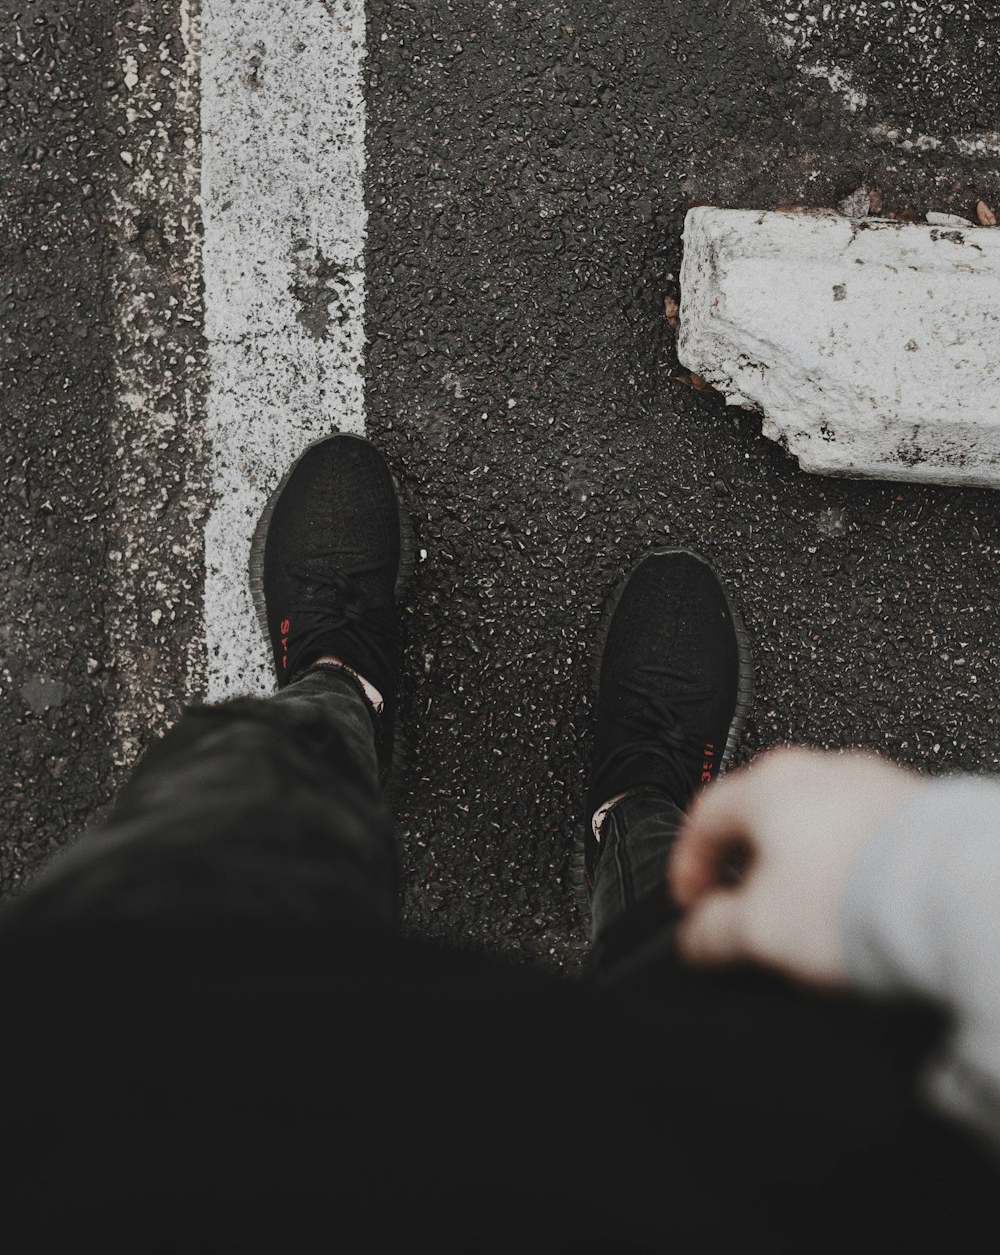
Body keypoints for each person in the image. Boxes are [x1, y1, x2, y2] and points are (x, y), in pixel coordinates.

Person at [1, 433, 997, 1252]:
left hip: (114, 1116)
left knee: (212, 850)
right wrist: (891, 884)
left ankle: (342, 685)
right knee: (699, 961)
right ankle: (639, 805)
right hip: (695, 1189)